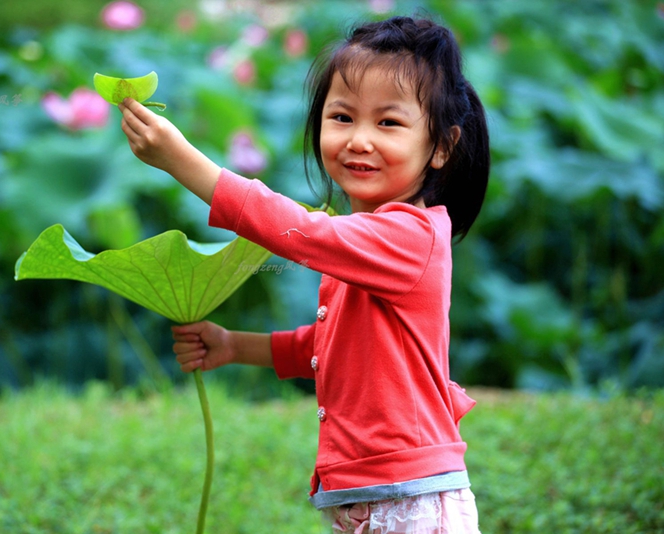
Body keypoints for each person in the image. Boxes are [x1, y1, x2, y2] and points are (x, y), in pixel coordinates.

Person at [118, 14, 489, 534]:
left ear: (442, 147)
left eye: (388, 123)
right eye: (342, 117)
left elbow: (301, 232)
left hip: (413, 502)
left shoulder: (410, 238)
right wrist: (234, 345)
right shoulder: (366, 239)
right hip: (369, 494)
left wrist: (183, 162)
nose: (359, 140)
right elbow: (332, 345)